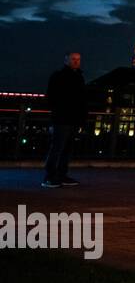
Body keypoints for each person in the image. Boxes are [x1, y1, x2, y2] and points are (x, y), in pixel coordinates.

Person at [43, 51, 87, 188]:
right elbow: (52, 97)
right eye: (73, 59)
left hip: (72, 119)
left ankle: (61, 175)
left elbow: (81, 100)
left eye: (78, 59)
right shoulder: (59, 76)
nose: (76, 61)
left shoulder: (79, 77)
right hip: (62, 118)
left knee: (66, 149)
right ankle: (50, 176)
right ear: (66, 60)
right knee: (57, 148)